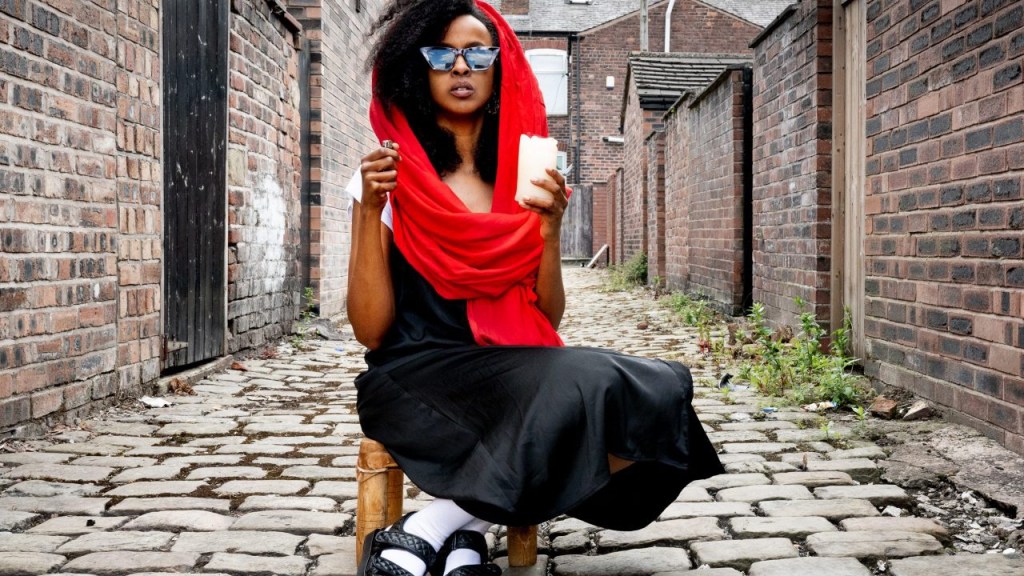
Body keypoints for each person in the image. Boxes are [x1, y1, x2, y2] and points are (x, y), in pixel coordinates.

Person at [348, 1, 723, 575]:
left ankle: (434, 529)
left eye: (478, 54)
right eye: (442, 54)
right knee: (585, 386)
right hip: (416, 375)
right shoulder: (389, 178)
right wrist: (367, 209)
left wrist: (549, 235)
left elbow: (547, 316)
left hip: (509, 364)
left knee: (648, 393)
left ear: (500, 68)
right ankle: (460, 538)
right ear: (416, 69)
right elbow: (371, 330)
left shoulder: (524, 178)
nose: (460, 67)